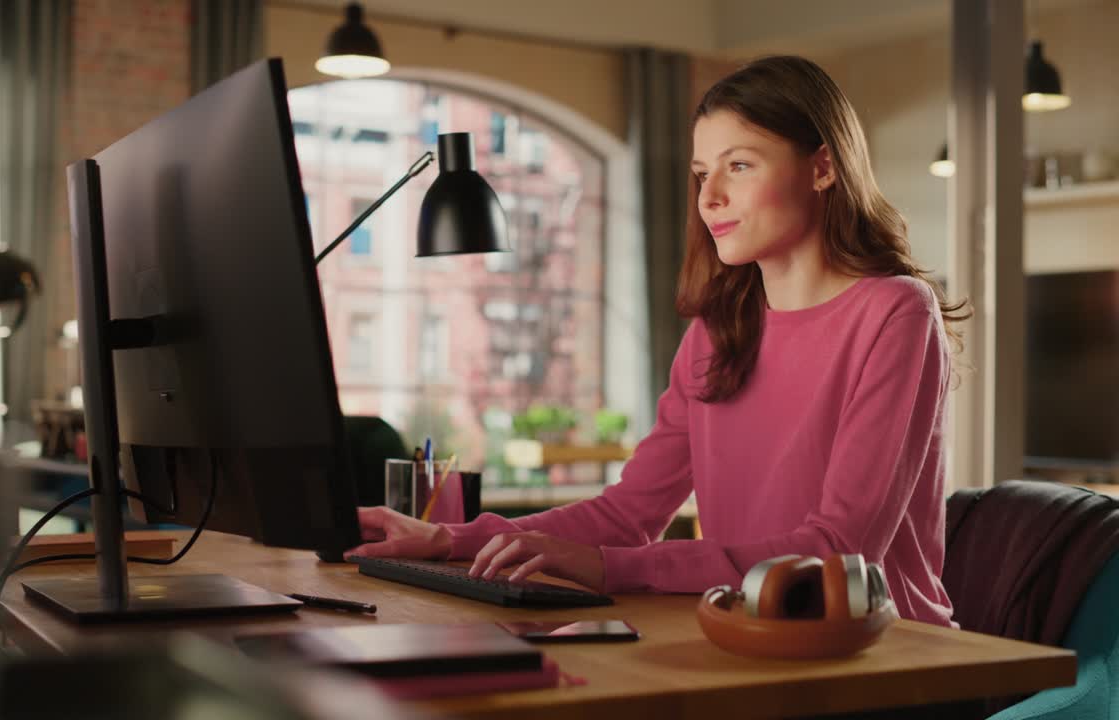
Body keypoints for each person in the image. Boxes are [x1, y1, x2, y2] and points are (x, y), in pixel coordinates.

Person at [346, 55, 969, 627]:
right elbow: (626, 514)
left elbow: (838, 551)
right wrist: (452, 540)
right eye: (702, 173)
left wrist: (612, 567)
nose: (709, 197)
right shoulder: (717, 332)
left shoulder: (894, 312)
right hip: (744, 639)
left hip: (889, 656)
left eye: (740, 165)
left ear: (824, 167)